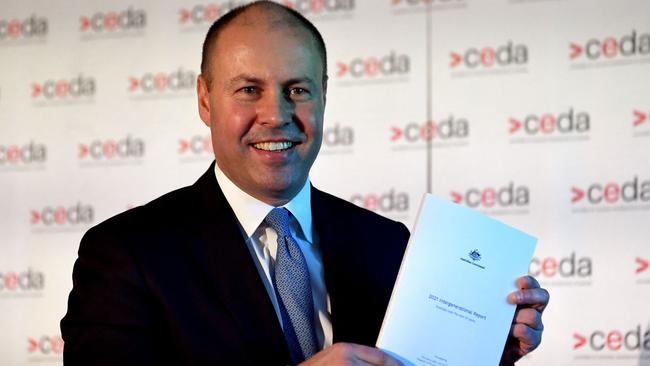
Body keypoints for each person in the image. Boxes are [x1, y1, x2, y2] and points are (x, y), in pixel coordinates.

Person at [61, 2, 549, 365]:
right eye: (249, 90)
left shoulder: (387, 244)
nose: (276, 115)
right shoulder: (127, 254)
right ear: (205, 101)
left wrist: (486, 345)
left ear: (324, 97)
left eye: (297, 90)